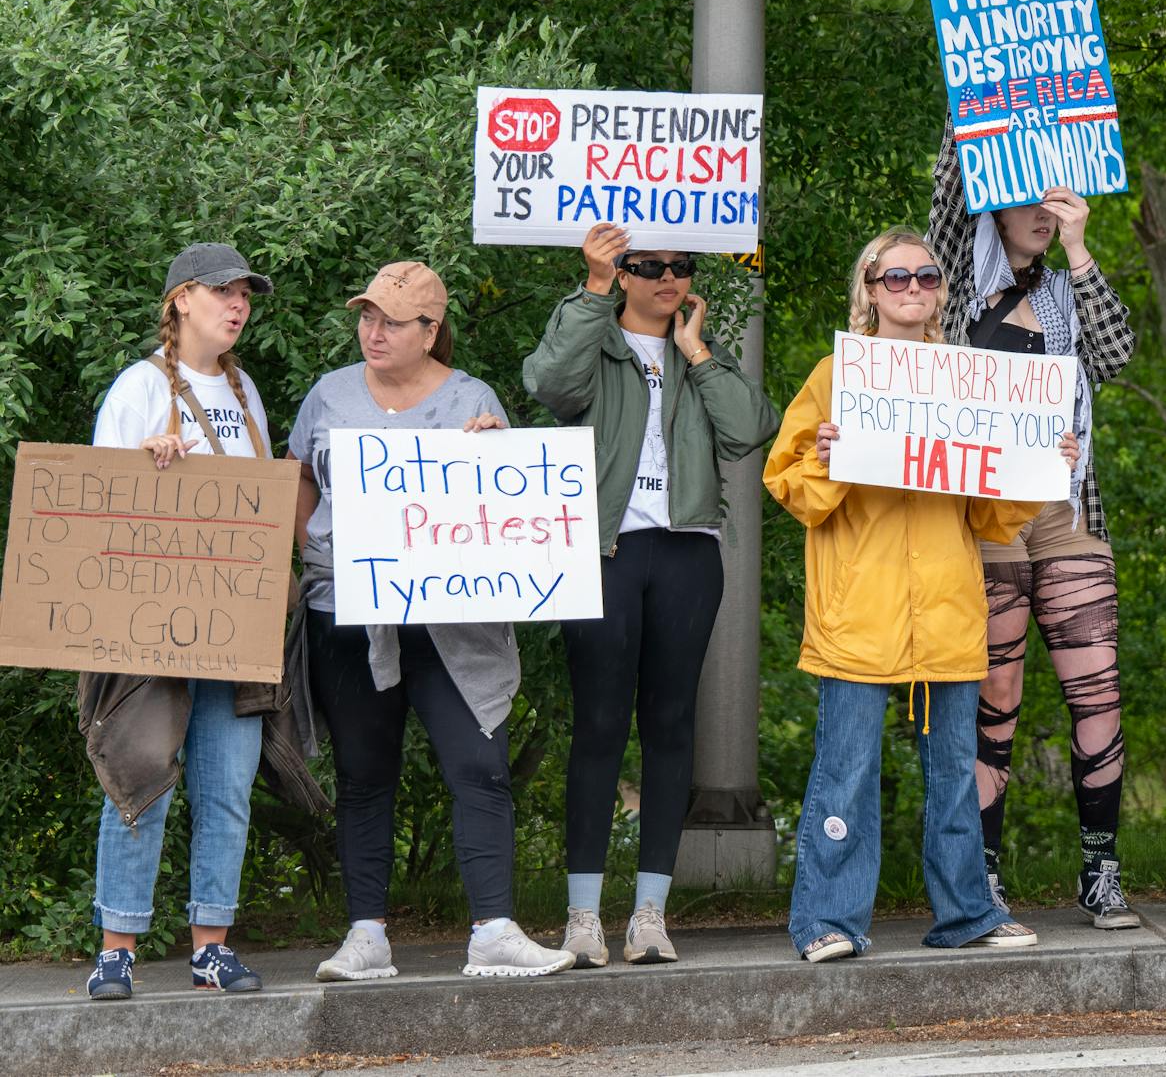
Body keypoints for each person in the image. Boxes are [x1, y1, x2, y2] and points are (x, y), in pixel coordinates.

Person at [764, 226, 1076, 962]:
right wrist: (835, 463)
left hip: (946, 612)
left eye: (926, 277)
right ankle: (828, 924)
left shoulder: (971, 379)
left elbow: (989, 515)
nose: (912, 289)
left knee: (954, 777)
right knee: (844, 774)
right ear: (868, 292)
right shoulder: (831, 380)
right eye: (894, 278)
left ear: (941, 289)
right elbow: (789, 486)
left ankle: (967, 913)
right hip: (858, 615)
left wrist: (1040, 466)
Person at [927, 0, 1138, 927]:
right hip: (983, 518)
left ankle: (1102, 868)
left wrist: (1084, 243)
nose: (1045, 205)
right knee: (996, 695)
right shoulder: (957, 281)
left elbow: (1119, 354)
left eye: (1057, 197)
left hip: (1065, 509)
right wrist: (983, 48)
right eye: (1030, 193)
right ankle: (989, 874)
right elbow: (947, 179)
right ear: (995, 195)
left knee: (1096, 686)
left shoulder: (1062, 288)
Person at [292, 262, 574, 981]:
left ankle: (495, 930)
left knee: (479, 767)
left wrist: (496, 450)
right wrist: (313, 557)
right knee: (363, 774)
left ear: (430, 331)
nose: (373, 332)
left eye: (391, 321)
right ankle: (365, 939)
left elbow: (510, 509)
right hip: (348, 613)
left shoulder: (472, 399)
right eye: (366, 316)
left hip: (455, 621)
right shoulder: (328, 395)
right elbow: (297, 480)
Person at [523, 224, 778, 967]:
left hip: (688, 552)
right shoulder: (594, 340)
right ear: (625, 273)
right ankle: (580, 918)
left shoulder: (702, 356)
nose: (669, 277)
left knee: (671, 725)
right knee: (600, 724)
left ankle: (650, 915)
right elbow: (549, 384)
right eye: (650, 266)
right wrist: (592, 291)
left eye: (681, 266)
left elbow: (748, 429)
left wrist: (697, 352)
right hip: (604, 550)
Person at [81, 242, 278, 1000]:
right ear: (181, 301)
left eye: (245, 295)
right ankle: (117, 949)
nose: (239, 304)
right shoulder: (137, 387)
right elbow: (97, 500)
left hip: (232, 624)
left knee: (227, 786)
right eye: (223, 291)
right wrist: (145, 458)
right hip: (150, 625)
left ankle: (211, 947)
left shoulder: (244, 390)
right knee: (140, 781)